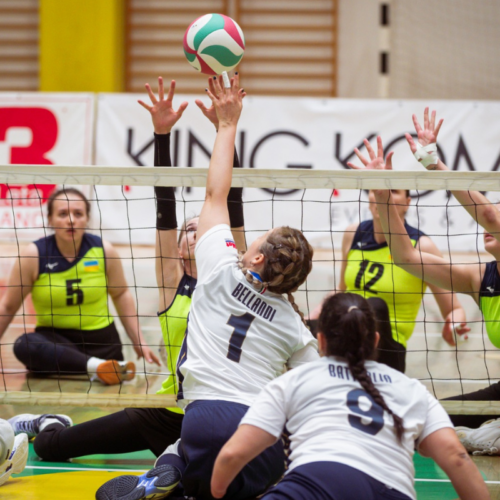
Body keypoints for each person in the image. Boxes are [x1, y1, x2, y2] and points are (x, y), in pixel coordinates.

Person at [96, 74, 318, 500]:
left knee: (190, 459)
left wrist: (226, 124)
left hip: (200, 417)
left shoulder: (217, 269)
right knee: (255, 476)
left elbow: (217, 192)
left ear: (255, 258)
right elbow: (318, 387)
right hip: (256, 429)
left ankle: (170, 475)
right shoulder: (293, 324)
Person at [10, 77, 248, 463]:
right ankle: (51, 421)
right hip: (167, 411)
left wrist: (227, 126)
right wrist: (161, 135)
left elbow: (230, 199)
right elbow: (164, 204)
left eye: (198, 228)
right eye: (186, 231)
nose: (192, 233)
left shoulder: (233, 278)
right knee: (50, 448)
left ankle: (175, 464)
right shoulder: (174, 283)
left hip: (221, 414)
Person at [211, 293, 490, 500]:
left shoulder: (294, 381)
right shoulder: (411, 388)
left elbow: (232, 454)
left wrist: (218, 491)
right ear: (377, 340)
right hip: (392, 492)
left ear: (320, 340)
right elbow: (456, 457)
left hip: (316, 484)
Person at [347, 108, 500, 447]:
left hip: (389, 348)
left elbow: (488, 215)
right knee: (426, 422)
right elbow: (405, 258)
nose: (491, 226)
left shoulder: (484, 222)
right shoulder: (480, 278)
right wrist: (383, 195)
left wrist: (433, 163)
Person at [0, 187, 159, 385]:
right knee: (24, 345)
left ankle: (98, 365)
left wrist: (139, 341)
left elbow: (121, 294)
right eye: (63, 214)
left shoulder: (103, 250)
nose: (71, 220)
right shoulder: (34, 254)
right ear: (50, 219)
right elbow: (8, 306)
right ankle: (97, 367)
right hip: (55, 342)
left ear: (86, 219)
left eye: (78, 214)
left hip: (101, 343)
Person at [310, 188, 468, 373]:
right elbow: (342, 288)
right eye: (376, 190)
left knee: (374, 307)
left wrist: (455, 324)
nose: (381, 195)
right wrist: (312, 317)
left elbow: (454, 308)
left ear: (408, 202)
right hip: (345, 335)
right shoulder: (354, 233)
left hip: (387, 346)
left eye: (392, 191)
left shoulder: (421, 246)